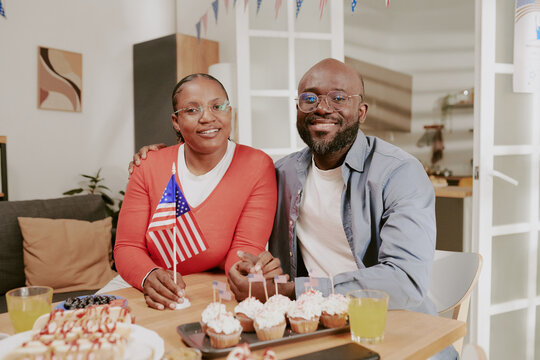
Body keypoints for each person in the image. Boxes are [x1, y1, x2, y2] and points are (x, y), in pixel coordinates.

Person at [131, 60, 456, 359]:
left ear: (362, 110)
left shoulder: (399, 173)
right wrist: (161, 156)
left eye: (338, 98)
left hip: (391, 329)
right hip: (309, 327)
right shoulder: (282, 173)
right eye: (309, 99)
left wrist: (293, 289)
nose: (322, 108)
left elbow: (405, 280)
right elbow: (240, 223)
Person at [113, 73, 277, 311]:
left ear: (230, 113)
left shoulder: (257, 165)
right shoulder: (148, 165)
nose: (207, 117)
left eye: (218, 106)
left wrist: (244, 273)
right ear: (176, 122)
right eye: (192, 110)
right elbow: (127, 246)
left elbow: (245, 245)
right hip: (142, 284)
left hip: (210, 289)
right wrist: (148, 275)